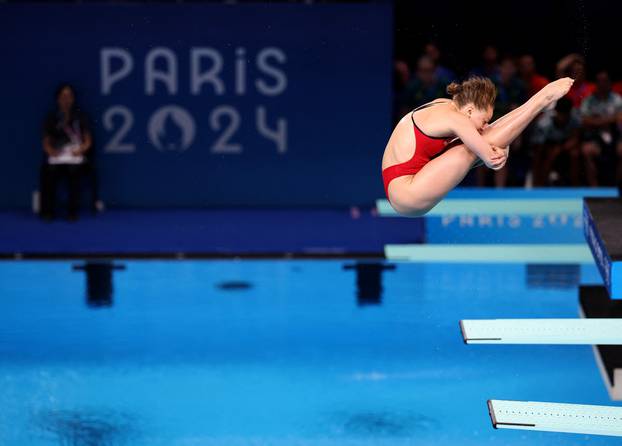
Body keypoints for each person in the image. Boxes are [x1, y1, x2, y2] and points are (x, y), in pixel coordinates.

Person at [381, 76, 574, 216]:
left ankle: (539, 100)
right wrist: (496, 154)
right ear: (470, 109)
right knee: (470, 150)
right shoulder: (455, 119)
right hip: (407, 194)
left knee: (481, 140)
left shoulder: (445, 105)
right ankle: (541, 100)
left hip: (404, 183)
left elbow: (493, 142)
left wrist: (496, 151)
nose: (485, 124)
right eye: (484, 119)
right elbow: (491, 156)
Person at [40, 84, 93, 221]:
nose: (66, 99)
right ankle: (48, 211)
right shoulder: (52, 117)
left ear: (73, 98)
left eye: (69, 96)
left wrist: (80, 150)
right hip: (57, 156)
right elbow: (46, 141)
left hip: (75, 155)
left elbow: (88, 141)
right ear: (57, 99)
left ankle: (72, 212)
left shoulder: (81, 116)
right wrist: (51, 151)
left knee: (73, 171)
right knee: (49, 171)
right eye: (63, 96)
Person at [580, 71, 622, 186]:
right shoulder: (588, 101)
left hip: (615, 136)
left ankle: (617, 188)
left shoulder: (617, 99)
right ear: (595, 83)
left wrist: (597, 120)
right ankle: (595, 189)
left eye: (605, 81)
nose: (602, 84)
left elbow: (620, 119)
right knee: (586, 151)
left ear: (610, 83)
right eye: (599, 81)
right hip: (595, 137)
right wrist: (610, 119)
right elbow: (585, 121)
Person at [530, 97, 582, 186]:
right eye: (561, 114)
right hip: (547, 144)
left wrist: (560, 149)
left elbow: (576, 138)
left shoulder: (575, 117)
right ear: (556, 112)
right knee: (544, 156)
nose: (563, 118)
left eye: (566, 115)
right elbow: (538, 148)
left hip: (565, 144)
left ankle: (575, 185)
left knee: (575, 154)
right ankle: (539, 185)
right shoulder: (544, 123)